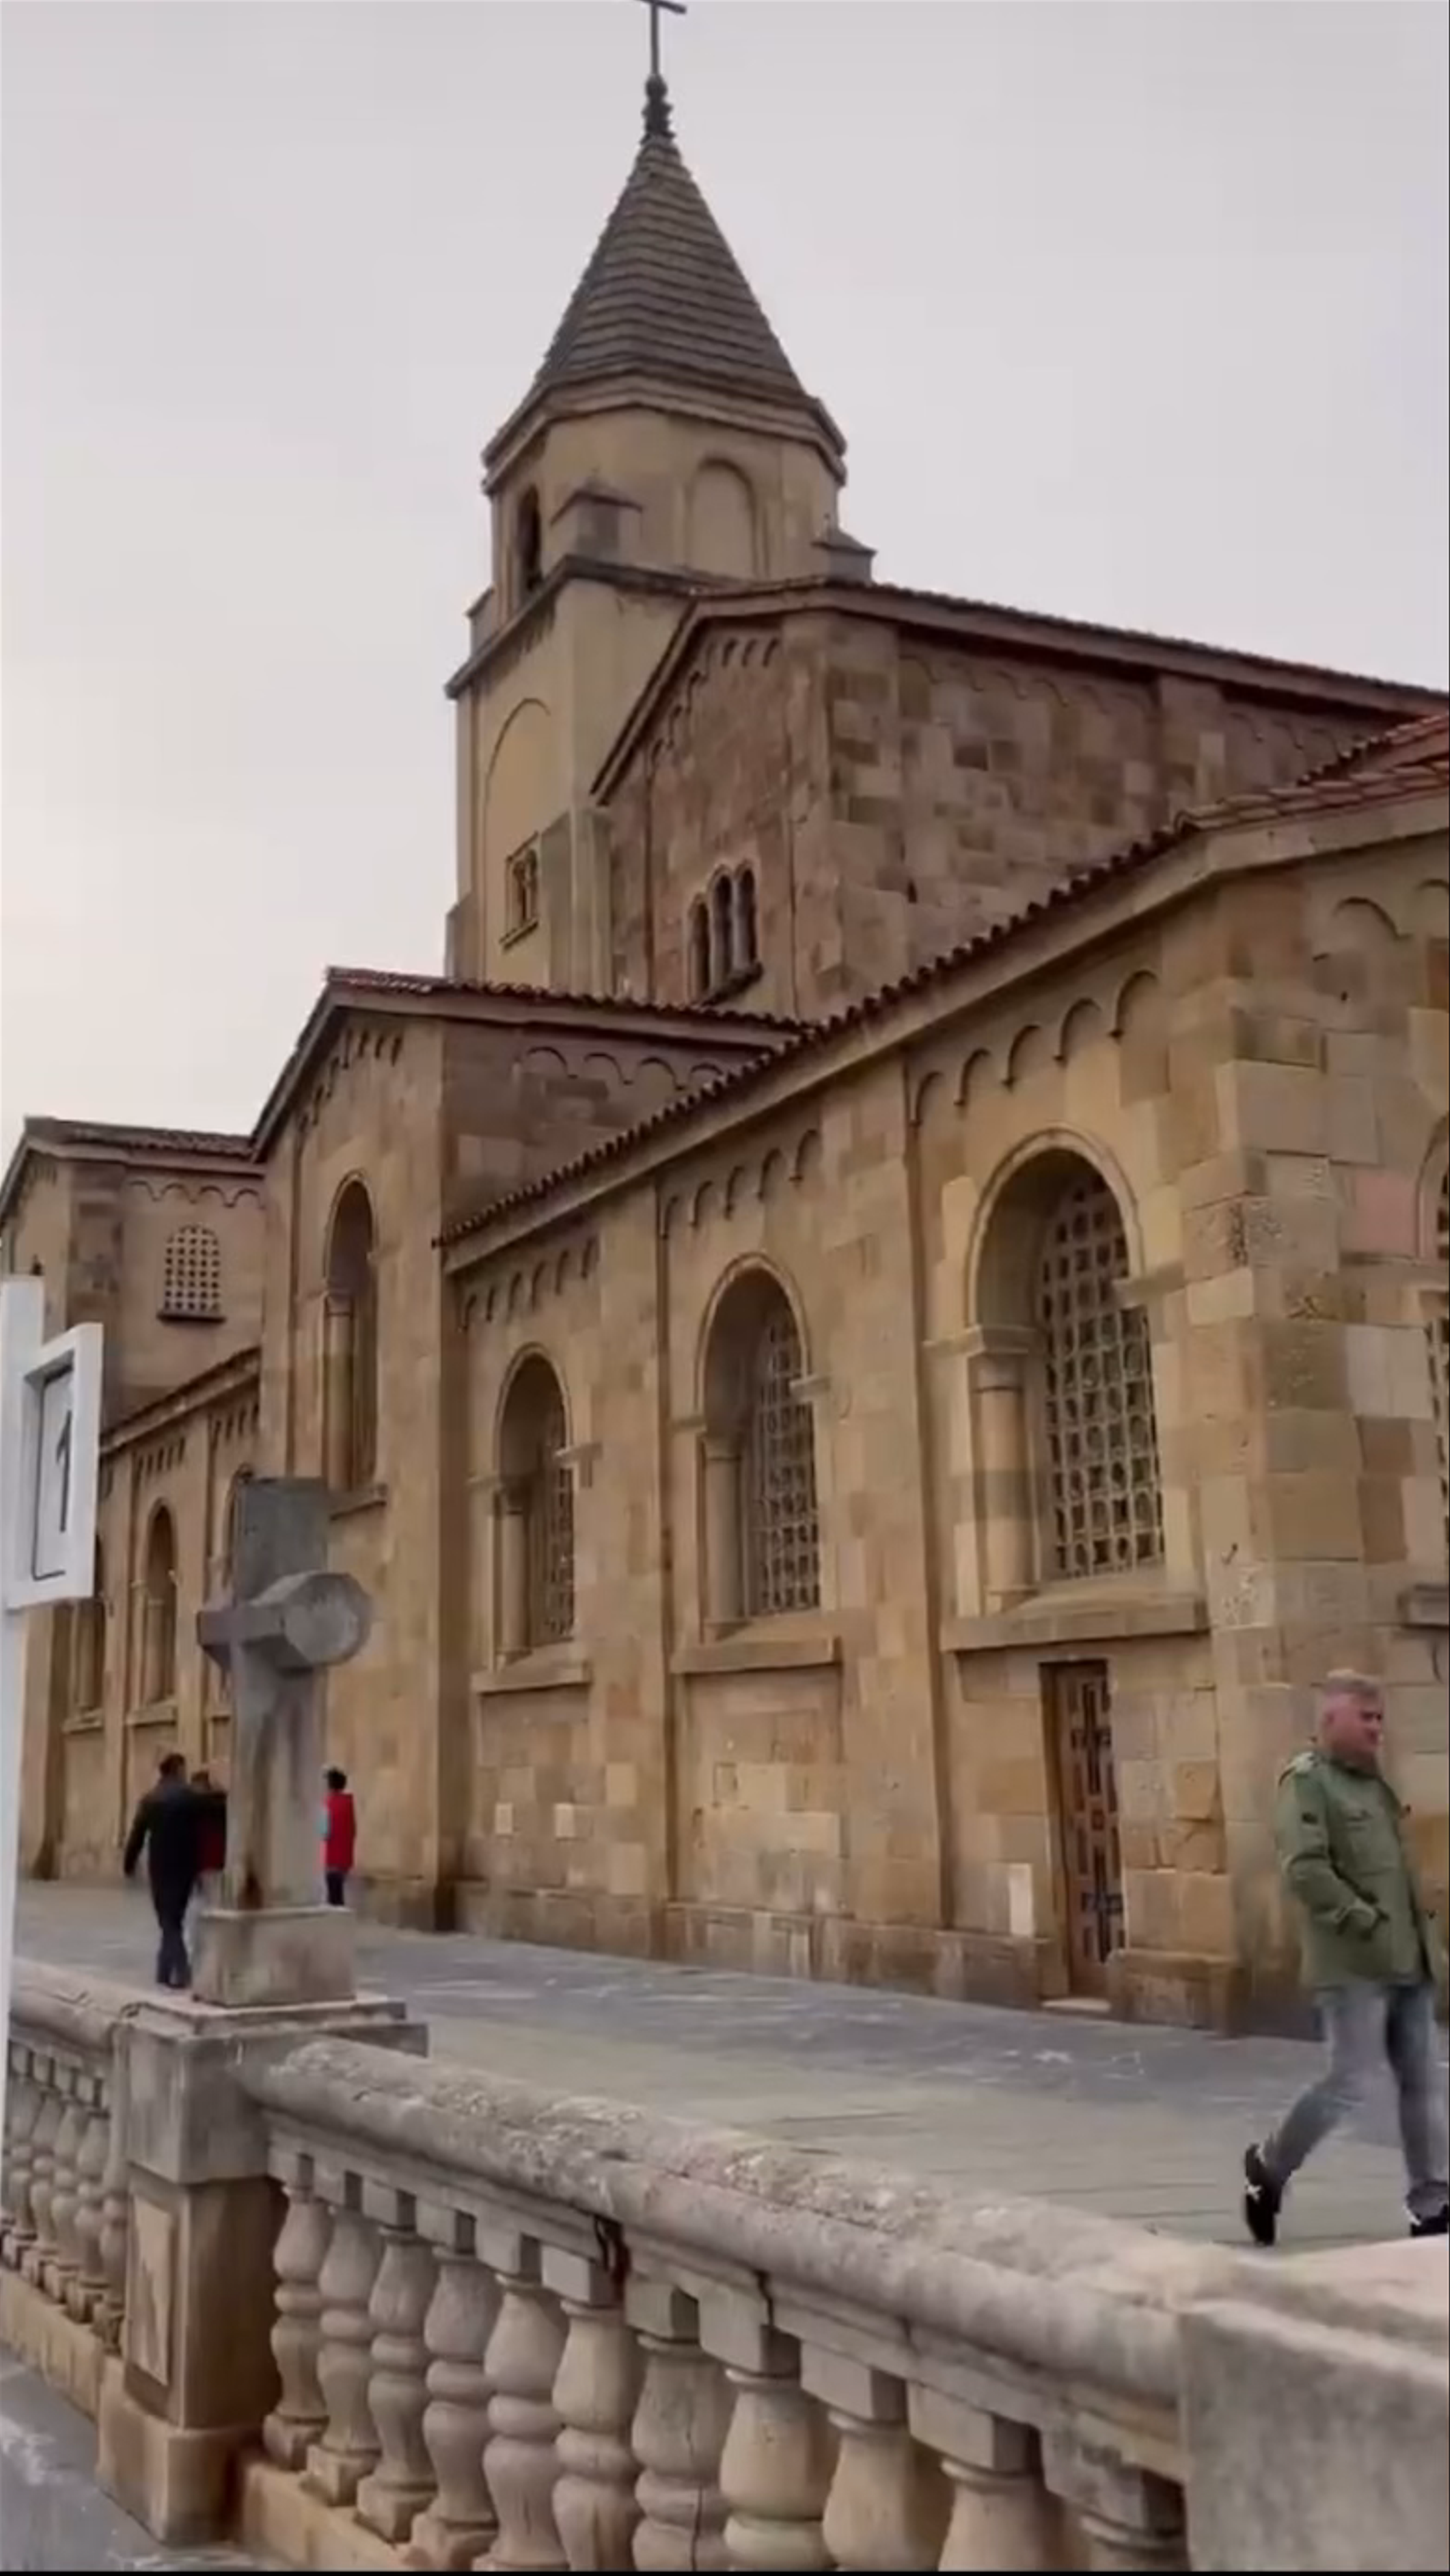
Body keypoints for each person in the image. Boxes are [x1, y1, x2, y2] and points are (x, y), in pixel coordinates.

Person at [1243, 1671, 1448, 2248]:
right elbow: (1306, 1870)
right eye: (1367, 1718)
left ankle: (1432, 2203)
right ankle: (1269, 2167)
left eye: (1381, 1717)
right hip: (1354, 1965)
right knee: (1348, 2081)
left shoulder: (1375, 1785)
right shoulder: (1308, 1784)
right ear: (1332, 1720)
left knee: (1423, 2083)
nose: (1378, 1729)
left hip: (1409, 1958)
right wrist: (1364, 1921)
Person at [123, 1752, 202, 1990]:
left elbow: (137, 1835)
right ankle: (164, 1970)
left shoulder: (150, 1800)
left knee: (168, 1920)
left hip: (160, 1867)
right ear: (178, 1770)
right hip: (186, 1865)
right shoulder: (191, 1797)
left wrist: (129, 1864)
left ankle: (181, 1970)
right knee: (174, 1918)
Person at [190, 1766, 228, 1906]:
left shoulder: (197, 1804)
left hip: (207, 1859)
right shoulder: (221, 1802)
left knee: (206, 1898)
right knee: (209, 1896)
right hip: (211, 1860)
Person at [322, 1766, 356, 1909]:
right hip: (345, 1857)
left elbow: (323, 1831)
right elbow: (353, 1829)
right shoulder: (349, 1803)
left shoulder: (327, 1804)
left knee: (333, 1895)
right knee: (339, 1892)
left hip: (331, 1856)